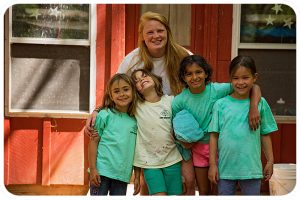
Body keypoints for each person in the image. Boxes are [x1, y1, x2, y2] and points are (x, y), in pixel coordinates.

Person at [85, 11, 195, 195]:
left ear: (168, 32)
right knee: (150, 184)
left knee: (188, 182)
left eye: (160, 30)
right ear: (142, 37)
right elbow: (116, 89)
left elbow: (201, 83)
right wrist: (98, 110)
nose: (156, 36)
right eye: (150, 32)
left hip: (179, 127)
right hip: (148, 125)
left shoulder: (183, 56)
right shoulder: (133, 60)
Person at [172, 55, 262, 195]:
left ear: (206, 73)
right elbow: (174, 126)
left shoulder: (217, 90)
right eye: (189, 74)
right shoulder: (179, 101)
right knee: (203, 190)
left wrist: (253, 107)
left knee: (219, 189)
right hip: (197, 149)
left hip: (219, 148)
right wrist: (182, 141)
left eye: (199, 72)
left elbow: (254, 87)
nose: (194, 77)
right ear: (183, 77)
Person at [208, 55, 277, 195]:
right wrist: (213, 165)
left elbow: (265, 134)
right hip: (225, 169)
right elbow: (214, 136)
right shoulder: (220, 105)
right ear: (230, 79)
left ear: (254, 77)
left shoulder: (261, 104)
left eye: (245, 77)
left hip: (251, 168)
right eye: (235, 78)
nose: (240, 82)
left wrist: (270, 160)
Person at [131, 68, 183, 195]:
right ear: (136, 89)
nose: (141, 79)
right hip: (149, 163)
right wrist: (96, 111)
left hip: (172, 158)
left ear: (154, 78)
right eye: (137, 81)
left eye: (144, 76)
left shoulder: (171, 101)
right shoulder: (136, 106)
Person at [88, 73, 141, 196]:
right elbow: (93, 142)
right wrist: (93, 169)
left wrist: (137, 176)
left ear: (133, 92)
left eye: (126, 89)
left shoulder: (136, 120)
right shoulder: (104, 115)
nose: (122, 94)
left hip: (122, 175)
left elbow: (137, 151)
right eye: (116, 91)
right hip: (101, 172)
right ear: (111, 96)